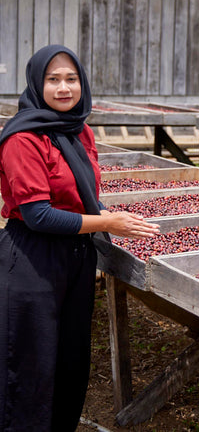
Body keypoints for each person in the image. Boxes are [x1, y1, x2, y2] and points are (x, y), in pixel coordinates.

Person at [0, 45, 159, 431]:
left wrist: (109, 216)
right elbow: (38, 215)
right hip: (33, 261)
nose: (63, 88)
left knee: (69, 363)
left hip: (75, 258)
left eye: (71, 79)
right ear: (36, 84)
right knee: (30, 368)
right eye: (52, 79)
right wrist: (109, 222)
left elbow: (80, 195)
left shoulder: (79, 130)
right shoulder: (23, 138)